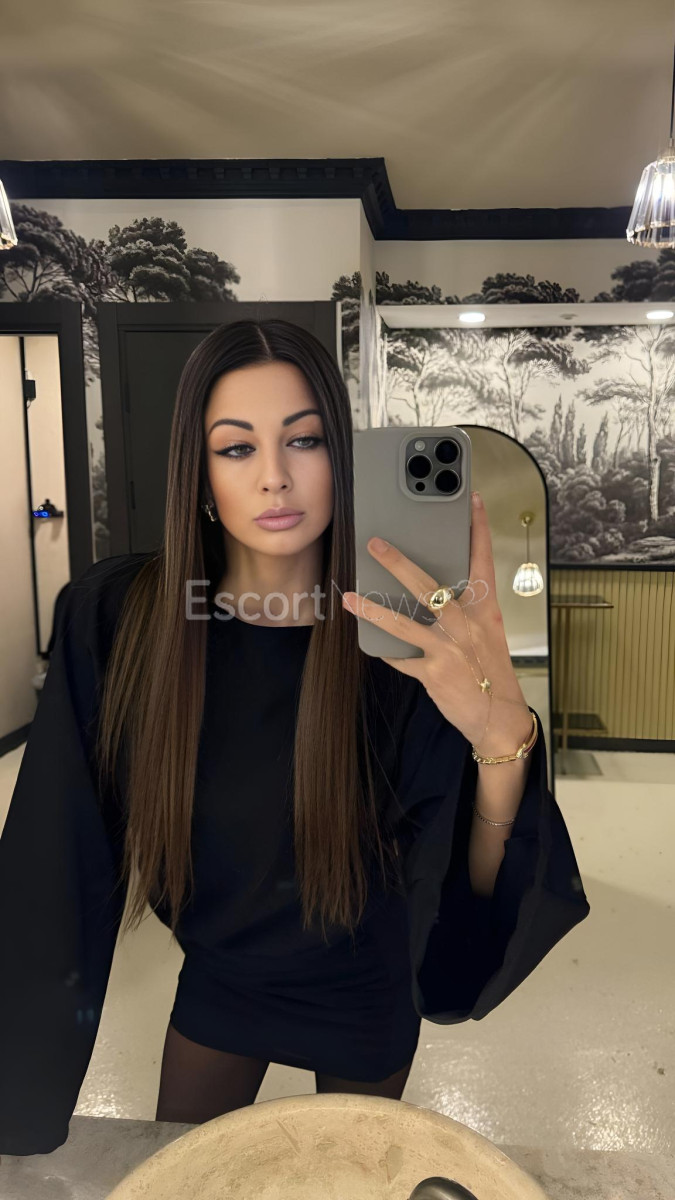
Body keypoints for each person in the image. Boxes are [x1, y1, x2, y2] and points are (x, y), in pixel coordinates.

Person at [0, 319, 590, 1158]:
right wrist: (18, 1096)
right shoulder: (123, 620)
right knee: (193, 1175)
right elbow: (54, 857)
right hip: (222, 975)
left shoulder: (402, 642)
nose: (274, 476)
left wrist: (502, 739)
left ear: (340, 458)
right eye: (236, 447)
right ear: (200, 474)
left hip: (363, 987)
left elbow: (469, 891)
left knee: (355, 1179)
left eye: (304, 440)